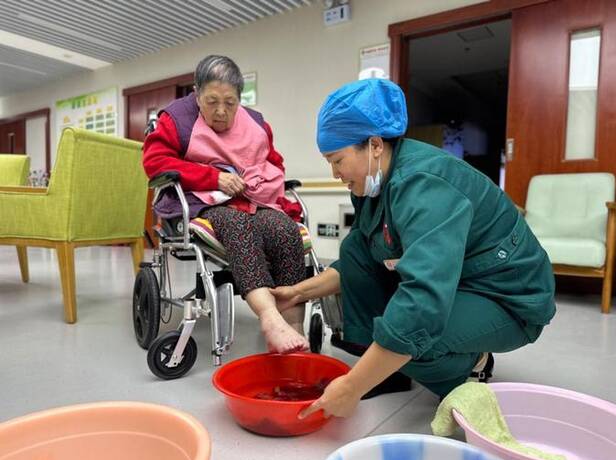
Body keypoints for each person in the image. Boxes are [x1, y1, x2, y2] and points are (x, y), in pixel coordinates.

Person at [271, 78, 556, 418]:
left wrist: (351, 388)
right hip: (459, 280)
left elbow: (423, 301)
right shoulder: (372, 185)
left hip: (506, 296)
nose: (334, 174)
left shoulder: (425, 184)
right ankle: (387, 370)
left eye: (337, 160)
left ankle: (470, 366)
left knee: (417, 335)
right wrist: (299, 293)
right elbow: (358, 258)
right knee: (355, 249)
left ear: (375, 145)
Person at [143, 55, 308, 353]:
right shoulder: (177, 118)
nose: (221, 111)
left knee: (284, 229)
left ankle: (294, 326)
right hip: (202, 204)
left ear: (239, 99)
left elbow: (274, 162)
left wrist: (259, 178)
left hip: (253, 200)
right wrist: (213, 177)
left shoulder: (256, 123)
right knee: (237, 224)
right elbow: (155, 162)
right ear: (196, 93)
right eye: (212, 101)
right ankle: (269, 317)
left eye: (230, 103)